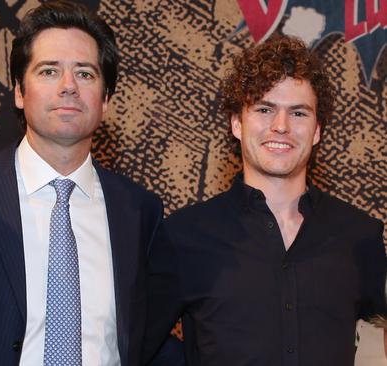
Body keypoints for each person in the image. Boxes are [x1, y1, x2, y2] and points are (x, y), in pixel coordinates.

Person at [0, 1, 164, 365]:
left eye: (86, 74)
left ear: (106, 100)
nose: (68, 86)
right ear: (18, 90)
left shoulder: (140, 212)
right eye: (48, 71)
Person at [145, 35, 386, 365]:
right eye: (264, 109)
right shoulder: (183, 235)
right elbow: (137, 345)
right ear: (236, 124)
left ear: (317, 130)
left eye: (299, 113)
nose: (281, 126)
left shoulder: (360, 235)